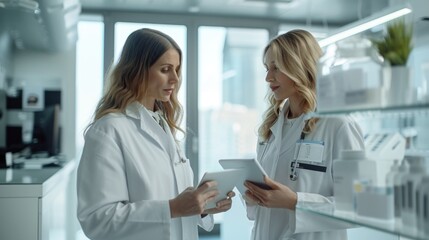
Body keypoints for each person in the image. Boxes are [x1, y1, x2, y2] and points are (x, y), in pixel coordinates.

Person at [76, 28, 235, 240]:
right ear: (137, 71)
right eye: (165, 69)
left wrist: (202, 206)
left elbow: (173, 201)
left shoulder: (162, 125)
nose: (175, 79)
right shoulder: (108, 130)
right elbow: (98, 220)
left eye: (177, 69)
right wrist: (172, 208)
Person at [243, 29, 365, 240]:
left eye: (276, 68)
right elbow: (264, 208)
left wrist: (295, 202)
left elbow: (358, 206)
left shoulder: (338, 124)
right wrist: (254, 197)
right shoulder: (270, 127)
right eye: (266, 68)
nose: (267, 77)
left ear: (299, 67)